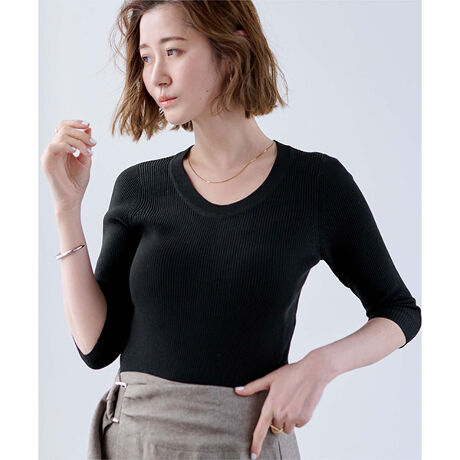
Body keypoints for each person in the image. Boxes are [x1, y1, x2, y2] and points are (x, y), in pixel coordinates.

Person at [41, 1, 422, 459]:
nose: (156, 76)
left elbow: (399, 311)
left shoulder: (315, 185)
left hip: (245, 444)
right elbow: (96, 346)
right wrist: (66, 208)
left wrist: (318, 366)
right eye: (145, 57)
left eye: (173, 51)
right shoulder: (139, 187)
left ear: (232, 49)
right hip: (135, 441)